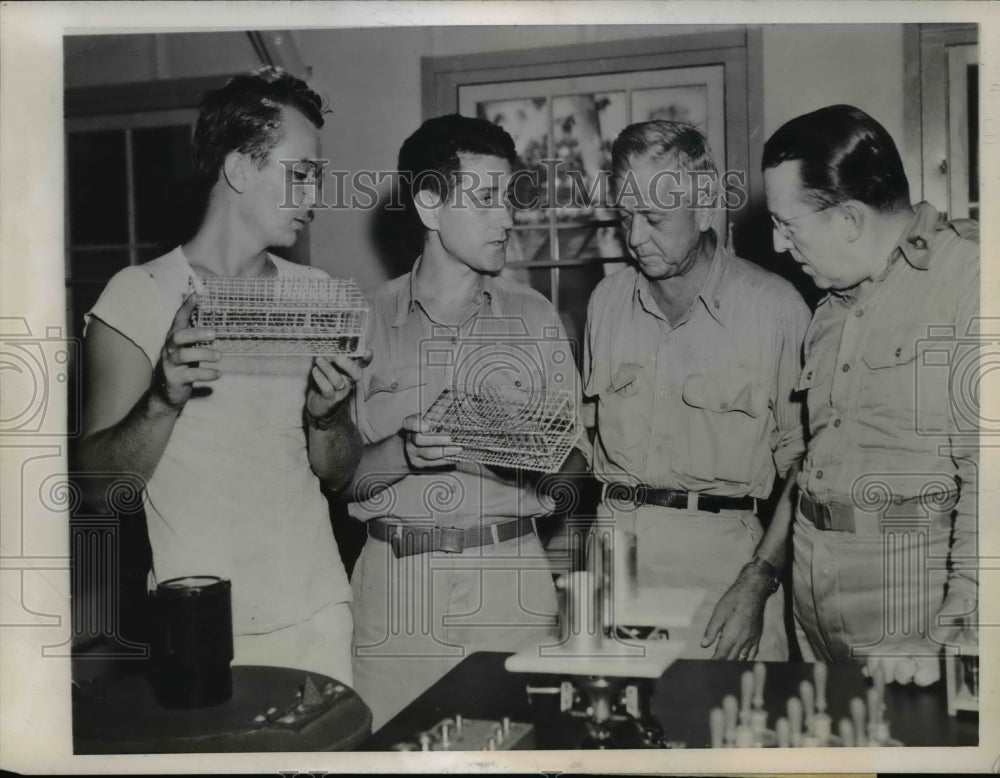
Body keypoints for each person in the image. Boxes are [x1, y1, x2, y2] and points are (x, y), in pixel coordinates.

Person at [75, 68, 365, 683]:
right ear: (239, 170)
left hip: (320, 612)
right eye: (302, 173)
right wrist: (162, 398)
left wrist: (329, 416)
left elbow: (339, 475)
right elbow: (101, 489)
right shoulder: (138, 295)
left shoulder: (315, 295)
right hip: (201, 623)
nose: (316, 198)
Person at [345, 114, 589, 729]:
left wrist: (514, 439)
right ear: (430, 204)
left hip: (510, 582)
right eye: (484, 199)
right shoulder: (363, 320)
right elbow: (337, 480)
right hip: (395, 591)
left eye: (508, 197)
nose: (507, 218)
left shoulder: (534, 318)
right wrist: (403, 451)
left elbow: (578, 473)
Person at [762, 104, 979, 684]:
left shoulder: (971, 279)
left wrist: (959, 636)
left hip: (912, 605)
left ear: (849, 219)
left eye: (788, 224)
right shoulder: (830, 302)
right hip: (812, 587)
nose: (780, 246)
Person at [583, 121, 811, 661]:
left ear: (705, 206)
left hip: (725, 577)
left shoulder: (775, 310)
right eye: (625, 217)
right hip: (614, 565)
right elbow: (583, 441)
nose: (635, 238)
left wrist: (758, 581)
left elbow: (806, 469)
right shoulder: (605, 304)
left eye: (656, 218)